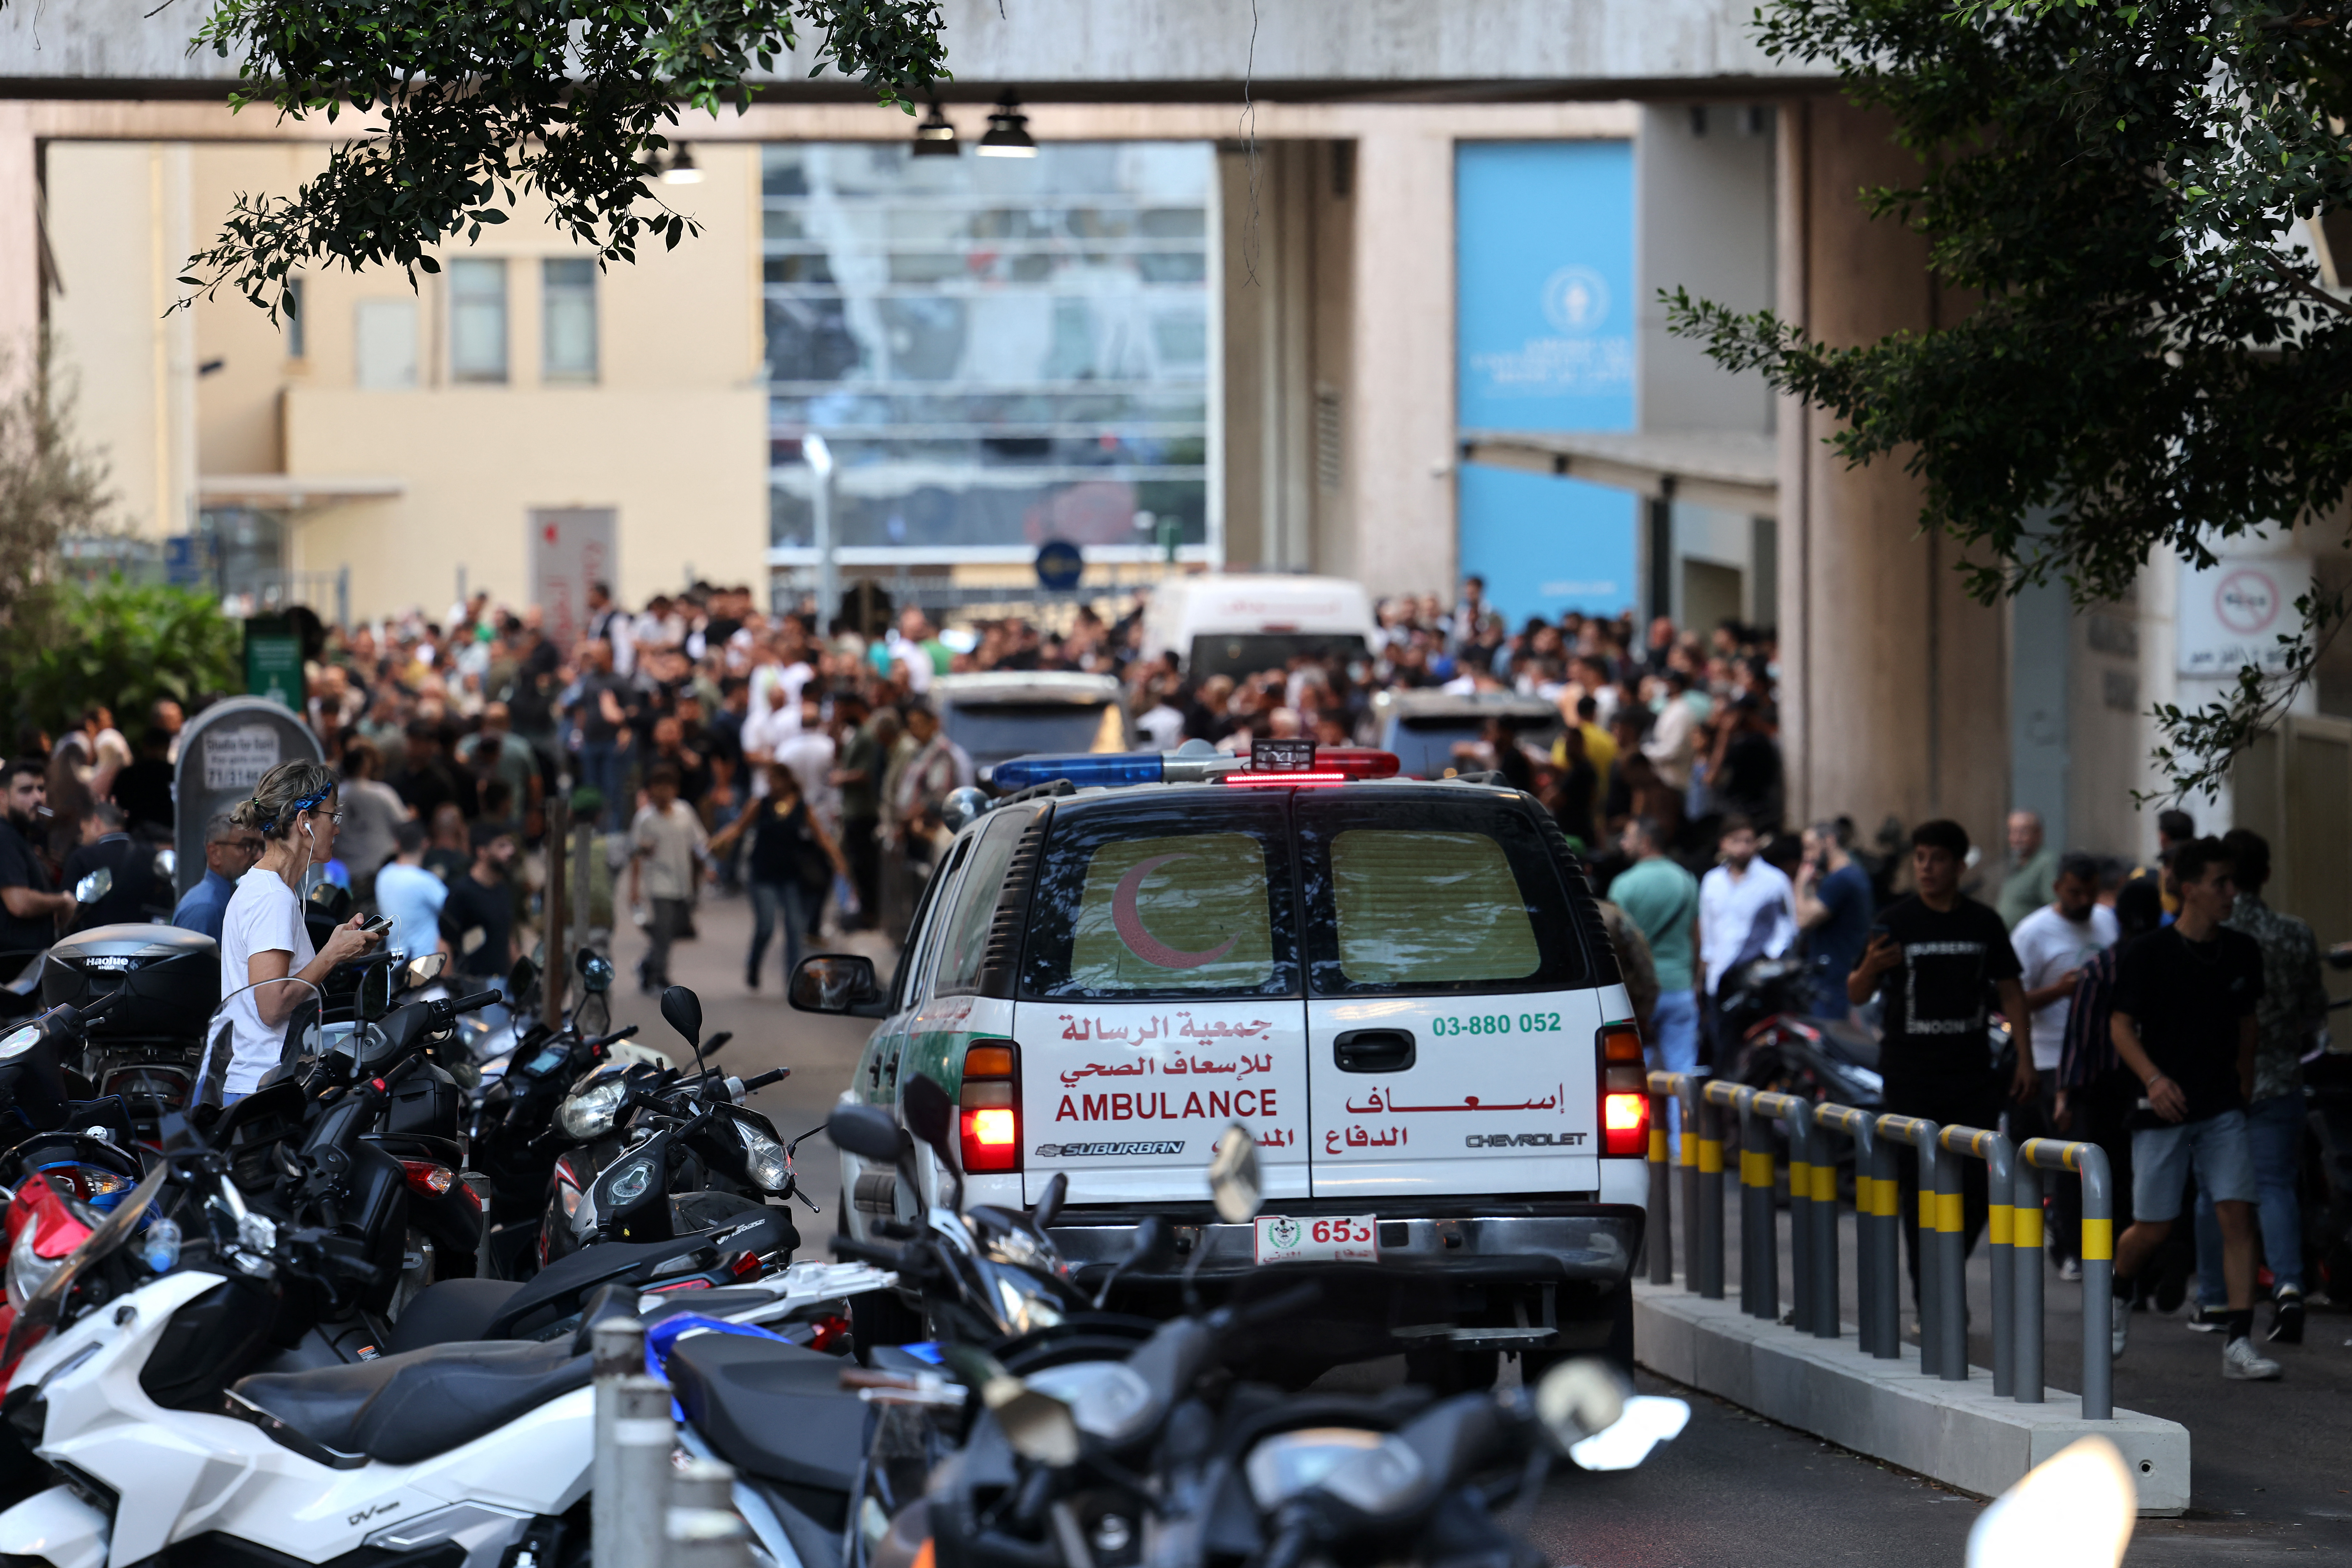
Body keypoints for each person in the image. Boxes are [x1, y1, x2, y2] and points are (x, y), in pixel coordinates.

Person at [2104, 836, 2278, 1379]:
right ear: (2189, 887)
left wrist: (2244, 1083)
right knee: (2151, 1228)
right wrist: (2153, 1079)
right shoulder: (2148, 953)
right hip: (2161, 1107)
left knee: (2236, 1212)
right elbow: (2119, 1025)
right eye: (2220, 882)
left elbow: (2247, 1022)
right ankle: (2116, 1293)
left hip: (2221, 1103)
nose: (2231, 892)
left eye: (2232, 881)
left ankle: (2238, 1341)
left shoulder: (2242, 950)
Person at [1849, 819, 2032, 1314]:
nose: (1927, 868)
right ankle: (1931, 1296)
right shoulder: (1897, 921)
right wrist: (1870, 967)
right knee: (1918, 1186)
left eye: (1938, 859)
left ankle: (1946, 1267)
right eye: (1921, 859)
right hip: (1910, 1075)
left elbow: (2012, 991)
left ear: (1958, 864)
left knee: (1977, 1184)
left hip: (1972, 1073)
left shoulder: (1983, 923)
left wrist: (2026, 1061)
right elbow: (1857, 991)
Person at [2188, 828, 2329, 1344]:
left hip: (2218, 1078)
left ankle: (2214, 1297)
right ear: (2266, 873)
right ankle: (2289, 1285)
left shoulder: (2212, 929)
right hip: (2278, 1075)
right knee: (2274, 1184)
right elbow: (2313, 1009)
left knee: (2212, 1190)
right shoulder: (2293, 932)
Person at [213, 760, 379, 1101]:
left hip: (259, 1087)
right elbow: (272, 1006)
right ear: (305, 822)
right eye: (333, 815)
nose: (337, 828)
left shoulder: (266, 889)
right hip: (265, 1092)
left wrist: (336, 946)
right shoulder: (273, 897)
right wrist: (332, 955)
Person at [2008, 853, 2120, 1276]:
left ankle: (2098, 1242)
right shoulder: (2033, 933)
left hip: (2104, 1058)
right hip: (2052, 1057)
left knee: (2104, 1150)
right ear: (2057, 888)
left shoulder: (2107, 922)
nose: (2084, 900)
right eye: (2075, 892)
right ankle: (2071, 1246)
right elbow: (2011, 999)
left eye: (2091, 892)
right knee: (2074, 1151)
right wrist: (2059, 991)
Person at [709, 764, 849, 991]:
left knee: (795, 927)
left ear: (787, 780)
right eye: (769, 780)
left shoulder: (802, 807)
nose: (771, 785)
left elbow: (822, 837)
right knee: (766, 926)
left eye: (774, 780)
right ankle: (754, 964)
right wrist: (719, 842)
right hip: (762, 873)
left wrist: (838, 860)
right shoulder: (760, 804)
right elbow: (739, 827)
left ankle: (793, 979)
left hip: (791, 875)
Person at [1611, 816, 1701, 1152]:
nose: (1623, 843)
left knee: (1633, 1074)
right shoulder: (1686, 880)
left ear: (1646, 843)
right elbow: (1697, 937)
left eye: (1629, 837)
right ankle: (1684, 1147)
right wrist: (1696, 980)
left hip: (1639, 994)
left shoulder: (1625, 885)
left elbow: (1618, 946)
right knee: (1682, 1071)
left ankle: (1640, 1146)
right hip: (1679, 986)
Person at [1696, 815, 1795, 1061]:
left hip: (1759, 984)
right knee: (1724, 1053)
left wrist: (1770, 958)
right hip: (1721, 980)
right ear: (1724, 844)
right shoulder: (1712, 882)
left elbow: (1788, 928)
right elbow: (1708, 935)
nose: (1743, 848)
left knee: (1761, 1054)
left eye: (1748, 841)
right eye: (1736, 841)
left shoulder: (1774, 881)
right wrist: (1703, 976)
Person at [629, 764, 707, 992]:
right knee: (662, 929)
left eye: (668, 788)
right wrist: (634, 888)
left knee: (673, 930)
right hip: (658, 883)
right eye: (658, 788)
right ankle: (658, 975)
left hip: (682, 882)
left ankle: (647, 964)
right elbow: (635, 854)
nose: (663, 793)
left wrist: (710, 867)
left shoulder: (685, 813)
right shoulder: (645, 819)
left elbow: (699, 842)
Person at [1793, 821, 1873, 1020]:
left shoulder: (1842, 880)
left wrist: (1801, 881)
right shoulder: (1849, 874)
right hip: (1835, 978)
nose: (1807, 856)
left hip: (1834, 982)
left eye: (1811, 848)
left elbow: (1801, 920)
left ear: (1829, 841)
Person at [0, 758, 69, 979]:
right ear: (2, 796)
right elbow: (18, 903)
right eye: (26, 790)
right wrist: (63, 902)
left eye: (41, 789)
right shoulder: (4, 836)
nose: (38, 797)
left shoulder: (19, 836)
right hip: (13, 977)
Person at [440, 823, 518, 984]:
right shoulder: (462, 892)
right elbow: (445, 942)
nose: (511, 851)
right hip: (472, 989)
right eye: (502, 846)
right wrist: (447, 988)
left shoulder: (503, 890)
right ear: (482, 852)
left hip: (502, 987)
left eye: (510, 845)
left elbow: (508, 938)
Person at [60, 801, 158, 929]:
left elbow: (66, 910)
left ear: (96, 822)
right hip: (143, 940)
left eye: (83, 830)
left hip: (94, 943)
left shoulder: (81, 857)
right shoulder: (151, 855)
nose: (81, 838)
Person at [171, 813, 265, 943]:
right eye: (247, 846)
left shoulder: (225, 899)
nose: (259, 856)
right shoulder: (205, 909)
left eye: (261, 847)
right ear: (215, 853)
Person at [335, 741, 411, 898]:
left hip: (345, 876)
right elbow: (405, 827)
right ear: (365, 766)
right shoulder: (382, 794)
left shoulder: (333, 799)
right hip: (379, 872)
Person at [373, 821, 448, 964]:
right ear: (426, 843)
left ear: (397, 844)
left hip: (395, 961)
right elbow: (453, 909)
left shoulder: (384, 875)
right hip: (425, 966)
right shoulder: (425, 881)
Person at [1996, 809, 2060, 929]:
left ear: (2039, 834)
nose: (2016, 838)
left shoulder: (2046, 863)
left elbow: (2053, 907)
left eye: (2023, 833)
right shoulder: (2016, 864)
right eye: (2012, 832)